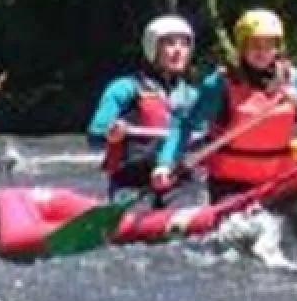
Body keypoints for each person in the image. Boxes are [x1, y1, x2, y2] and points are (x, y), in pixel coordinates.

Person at [154, 8, 297, 202]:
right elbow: (185, 125)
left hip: (279, 180)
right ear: (242, 46)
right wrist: (164, 163)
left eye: (269, 44)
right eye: (255, 44)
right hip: (230, 185)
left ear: (278, 47)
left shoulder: (295, 80)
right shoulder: (220, 83)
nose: (262, 51)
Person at [86, 15, 208, 209]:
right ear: (153, 49)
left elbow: (207, 136)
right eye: (169, 44)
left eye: (184, 45)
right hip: (133, 181)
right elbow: (95, 136)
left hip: (179, 179)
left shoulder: (193, 97)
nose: (178, 51)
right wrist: (113, 134)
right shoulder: (125, 88)